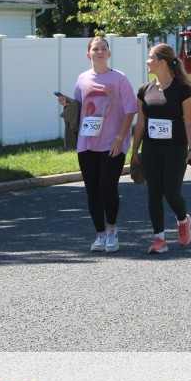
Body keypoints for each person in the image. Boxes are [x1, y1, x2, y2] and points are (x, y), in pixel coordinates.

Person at [58, 36, 137, 253]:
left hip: (112, 142)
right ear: (88, 54)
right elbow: (79, 107)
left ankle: (112, 230)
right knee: (92, 190)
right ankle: (100, 234)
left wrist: (120, 139)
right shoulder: (82, 78)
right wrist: (67, 103)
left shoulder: (120, 78)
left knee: (107, 186)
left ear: (109, 54)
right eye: (95, 49)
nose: (99, 52)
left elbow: (131, 110)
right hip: (87, 142)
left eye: (103, 48)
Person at [130, 44, 191, 254]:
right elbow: (141, 124)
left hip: (175, 148)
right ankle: (159, 239)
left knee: (171, 192)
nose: (147, 61)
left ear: (162, 62)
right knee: (154, 192)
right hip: (151, 148)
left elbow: (189, 122)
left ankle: (183, 220)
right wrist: (134, 152)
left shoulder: (182, 89)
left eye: (150, 57)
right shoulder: (144, 90)